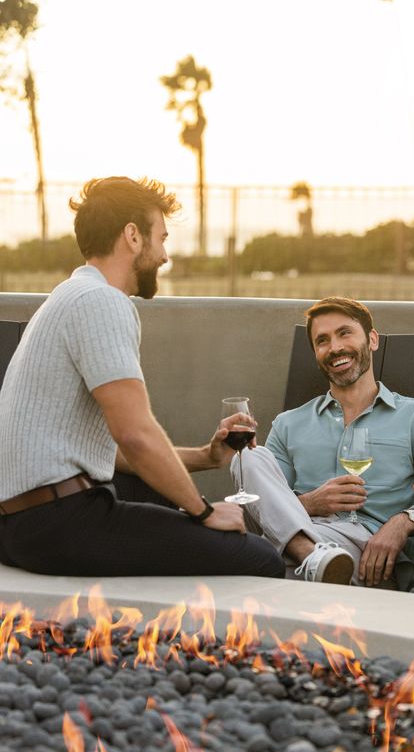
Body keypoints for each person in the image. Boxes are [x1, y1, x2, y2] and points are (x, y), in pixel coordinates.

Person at [0, 176, 284, 580]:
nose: (165, 254)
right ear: (133, 236)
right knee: (259, 558)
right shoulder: (103, 302)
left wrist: (206, 456)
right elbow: (134, 434)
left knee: (163, 497)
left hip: (19, 525)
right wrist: (205, 511)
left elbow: (117, 452)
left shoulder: (67, 296)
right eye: (162, 237)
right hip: (62, 525)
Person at [235, 296, 414, 587]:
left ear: (372, 340)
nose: (334, 347)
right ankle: (311, 555)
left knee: (244, 557)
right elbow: (260, 507)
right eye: (322, 341)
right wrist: (308, 503)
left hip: (372, 552)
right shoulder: (289, 423)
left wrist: (405, 520)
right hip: (304, 536)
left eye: (345, 333)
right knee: (246, 457)